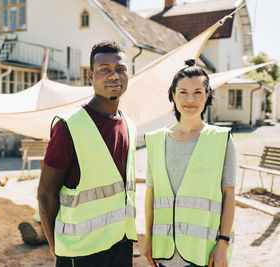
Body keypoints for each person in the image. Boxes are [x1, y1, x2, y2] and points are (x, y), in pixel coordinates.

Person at [37, 41, 137, 267]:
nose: (114, 76)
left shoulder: (129, 125)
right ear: (90, 76)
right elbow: (45, 194)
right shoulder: (68, 126)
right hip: (81, 253)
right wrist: (55, 247)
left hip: (122, 246)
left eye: (120, 69)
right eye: (104, 69)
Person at [144, 59, 236, 267]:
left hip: (204, 252)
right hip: (164, 252)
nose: (190, 99)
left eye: (198, 92)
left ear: (207, 96)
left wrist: (223, 244)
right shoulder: (155, 140)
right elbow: (151, 193)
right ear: (173, 95)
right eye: (183, 92)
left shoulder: (222, 139)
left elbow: (229, 194)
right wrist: (149, 239)